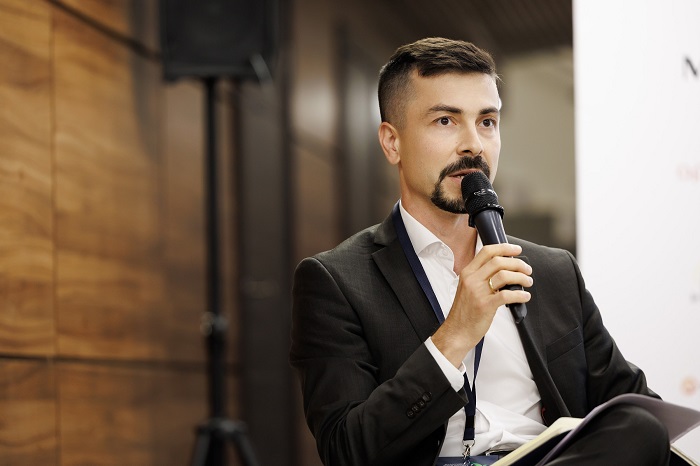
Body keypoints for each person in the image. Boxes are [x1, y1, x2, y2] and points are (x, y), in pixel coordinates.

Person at [289, 37, 670, 466]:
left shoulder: (553, 270)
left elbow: (635, 408)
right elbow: (346, 450)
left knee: (640, 428)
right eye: (445, 121)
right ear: (392, 142)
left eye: (487, 121)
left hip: (554, 458)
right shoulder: (337, 281)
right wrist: (454, 335)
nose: (474, 144)